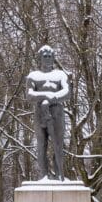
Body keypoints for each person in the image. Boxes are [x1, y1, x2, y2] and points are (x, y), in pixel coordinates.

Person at [26, 45, 69, 179]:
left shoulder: (60, 75)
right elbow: (29, 95)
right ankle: (43, 175)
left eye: (50, 56)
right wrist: (46, 96)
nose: (48, 59)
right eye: (45, 56)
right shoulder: (34, 76)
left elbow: (67, 93)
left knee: (58, 145)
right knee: (41, 145)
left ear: (54, 58)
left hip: (57, 113)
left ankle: (59, 176)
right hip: (40, 113)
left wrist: (53, 98)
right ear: (40, 58)